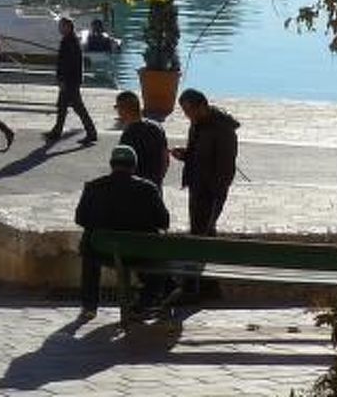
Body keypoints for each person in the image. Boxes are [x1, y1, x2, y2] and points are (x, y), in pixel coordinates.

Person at [75, 143, 170, 316]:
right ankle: (146, 301)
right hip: (138, 253)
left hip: (102, 252)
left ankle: (89, 305)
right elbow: (163, 222)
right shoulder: (148, 189)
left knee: (89, 242)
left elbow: (80, 219)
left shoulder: (94, 187)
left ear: (111, 164)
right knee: (157, 254)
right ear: (134, 166)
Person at [171, 88, 240, 234]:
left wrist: (216, 193)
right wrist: (184, 155)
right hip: (197, 185)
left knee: (205, 229)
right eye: (185, 111)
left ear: (202, 106)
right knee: (197, 229)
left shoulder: (223, 129)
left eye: (189, 110)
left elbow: (226, 166)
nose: (187, 115)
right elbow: (197, 153)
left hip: (212, 190)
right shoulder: (197, 123)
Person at [43, 16, 98, 145]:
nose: (59, 28)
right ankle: (57, 131)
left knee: (78, 107)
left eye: (61, 26)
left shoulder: (70, 41)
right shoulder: (69, 40)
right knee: (62, 106)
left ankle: (91, 132)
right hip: (71, 80)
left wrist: (62, 80)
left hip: (70, 81)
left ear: (67, 27)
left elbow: (68, 63)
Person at [114, 91, 169, 188]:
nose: (117, 112)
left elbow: (122, 167)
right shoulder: (157, 127)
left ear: (124, 109)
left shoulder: (128, 134)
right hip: (155, 183)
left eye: (117, 107)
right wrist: (160, 178)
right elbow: (165, 158)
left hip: (136, 187)